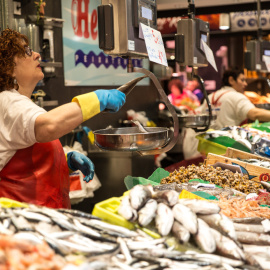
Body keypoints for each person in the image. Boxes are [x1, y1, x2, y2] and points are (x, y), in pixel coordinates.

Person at [0, 29, 126, 209]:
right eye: (27, 51)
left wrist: (64, 162)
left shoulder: (22, 104)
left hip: (44, 218)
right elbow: (49, 125)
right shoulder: (7, 101)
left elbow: (27, 164)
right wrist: (98, 99)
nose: (37, 55)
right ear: (7, 68)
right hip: (24, 224)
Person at [198, 68, 270, 129]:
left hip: (207, 143)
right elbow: (255, 114)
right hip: (227, 143)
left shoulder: (209, 97)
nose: (245, 84)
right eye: (242, 80)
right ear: (231, 80)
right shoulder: (236, 96)